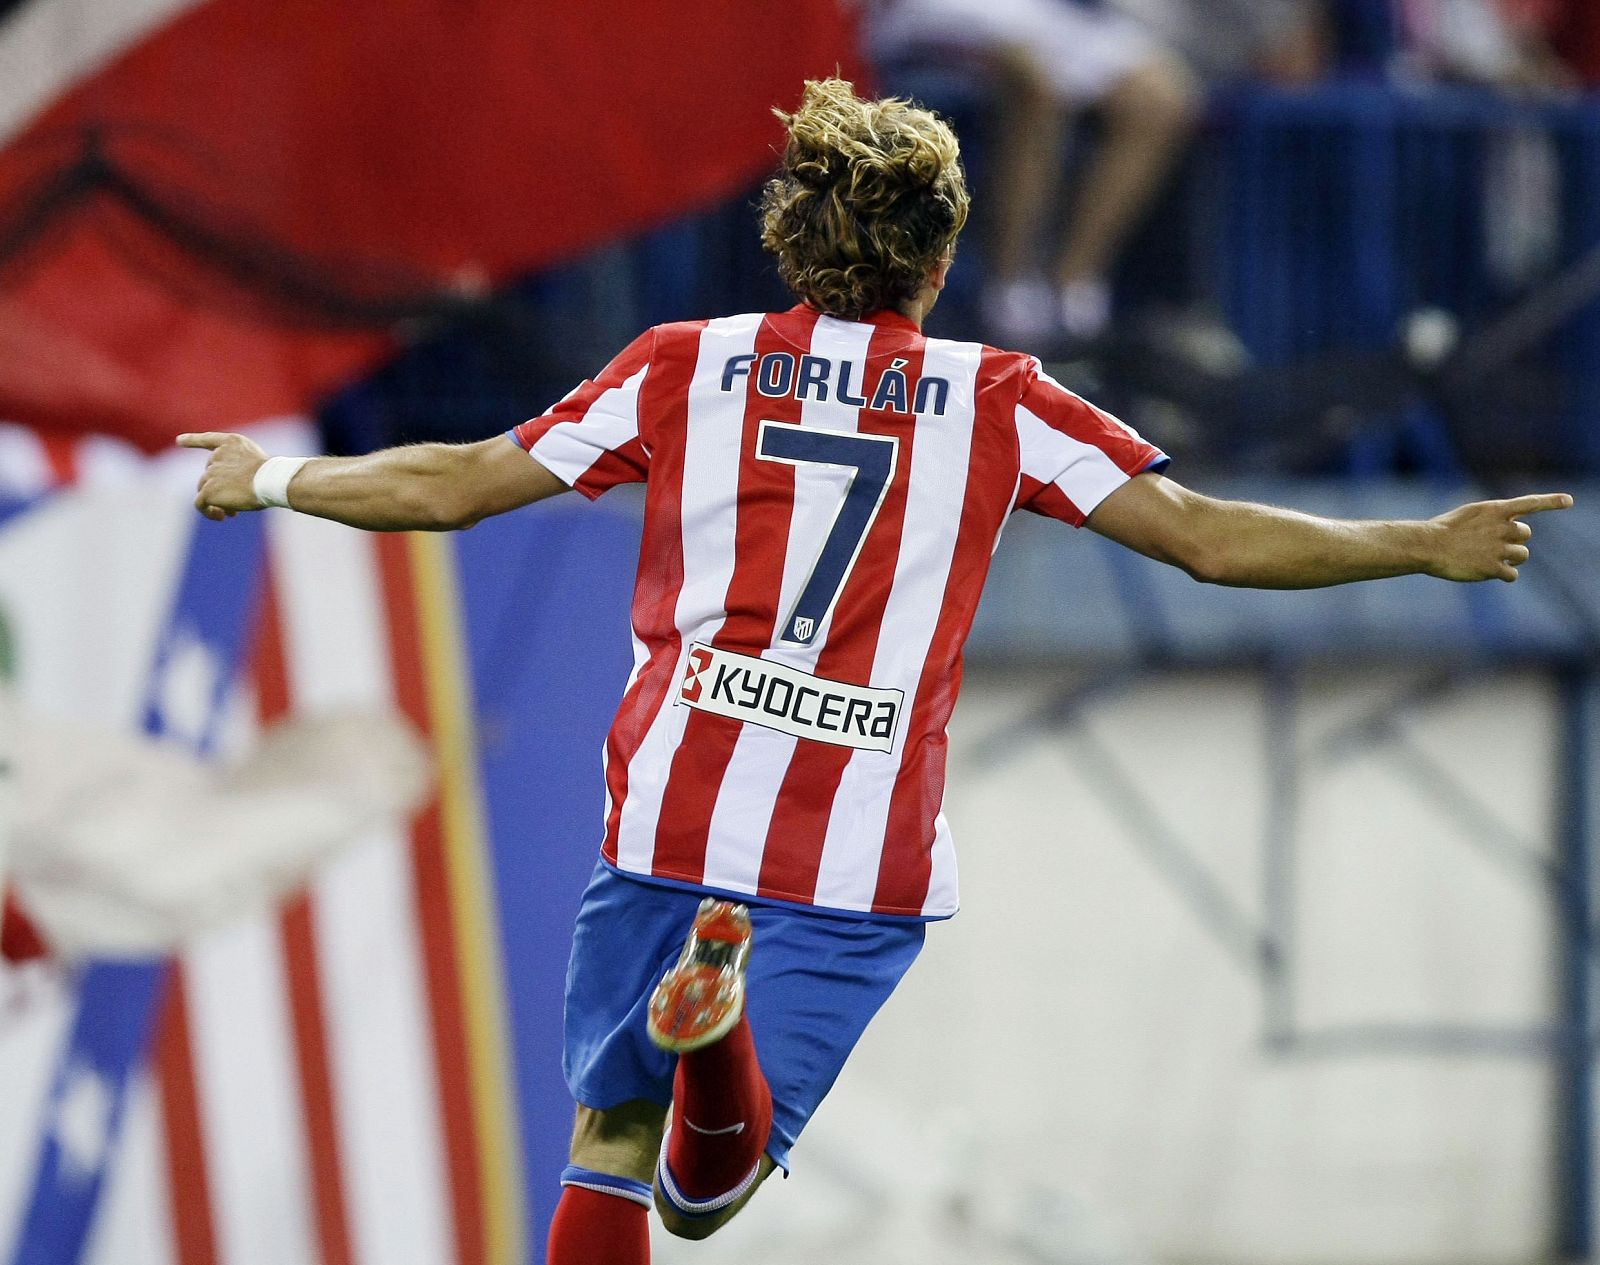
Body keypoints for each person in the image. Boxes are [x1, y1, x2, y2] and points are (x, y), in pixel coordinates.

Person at [179, 77, 1571, 1264]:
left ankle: (693, 1024)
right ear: (941, 257)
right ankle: (715, 1041)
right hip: (853, 859)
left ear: (791, 238)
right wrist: (1419, 541)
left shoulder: (685, 366)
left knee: (607, 1140)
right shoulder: (1002, 402)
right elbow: (1206, 540)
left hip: (672, 812)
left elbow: (452, 486)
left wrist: (274, 475)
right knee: (704, 1193)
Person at [866, 0, 1198, 346]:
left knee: (1160, 101)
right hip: (947, 9)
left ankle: (1072, 287)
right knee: (1036, 82)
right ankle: (1009, 288)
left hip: (1048, 13)